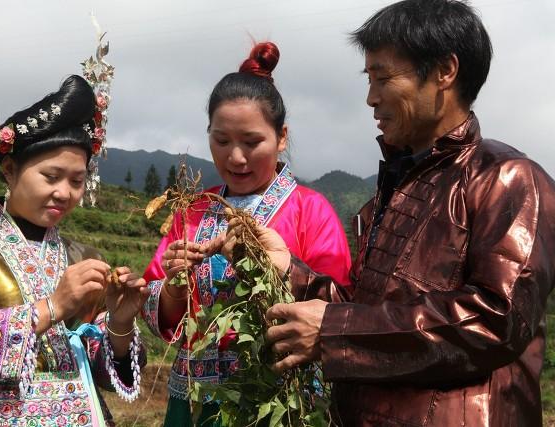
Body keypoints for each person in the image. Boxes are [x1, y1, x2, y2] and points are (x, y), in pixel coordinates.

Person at [214, 1, 555, 425]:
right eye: (368, 79)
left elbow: (495, 320)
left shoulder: (508, 179)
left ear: (445, 72)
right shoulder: (389, 195)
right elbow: (364, 309)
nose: (371, 98)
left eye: (383, 77)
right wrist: (287, 269)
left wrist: (334, 331)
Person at [0, 72, 149, 426]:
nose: (65, 192)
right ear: (10, 170)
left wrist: (120, 322)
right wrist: (53, 307)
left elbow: (106, 372)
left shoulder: (86, 258)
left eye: (77, 181)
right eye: (51, 177)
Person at [141, 41, 352, 426]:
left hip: (277, 403)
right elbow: (159, 307)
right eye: (221, 141)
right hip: (194, 402)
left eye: (252, 142)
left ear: (281, 137)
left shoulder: (310, 210)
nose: (235, 158)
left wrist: (276, 268)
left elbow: (337, 308)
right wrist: (173, 284)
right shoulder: (194, 209)